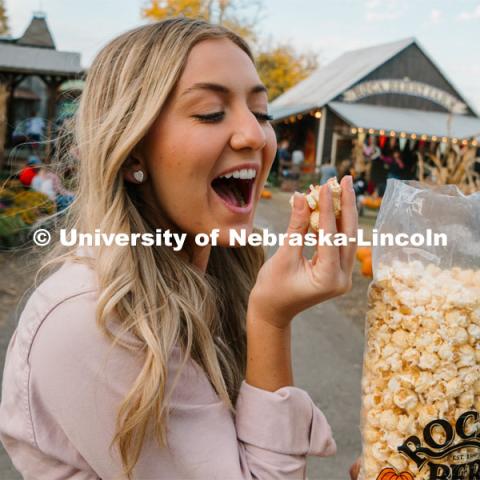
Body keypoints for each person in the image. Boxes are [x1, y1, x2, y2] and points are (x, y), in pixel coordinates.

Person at [0, 18, 358, 480]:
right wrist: (271, 320)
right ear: (131, 153)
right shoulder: (92, 318)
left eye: (262, 113)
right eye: (211, 112)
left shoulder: (209, 276)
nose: (255, 135)